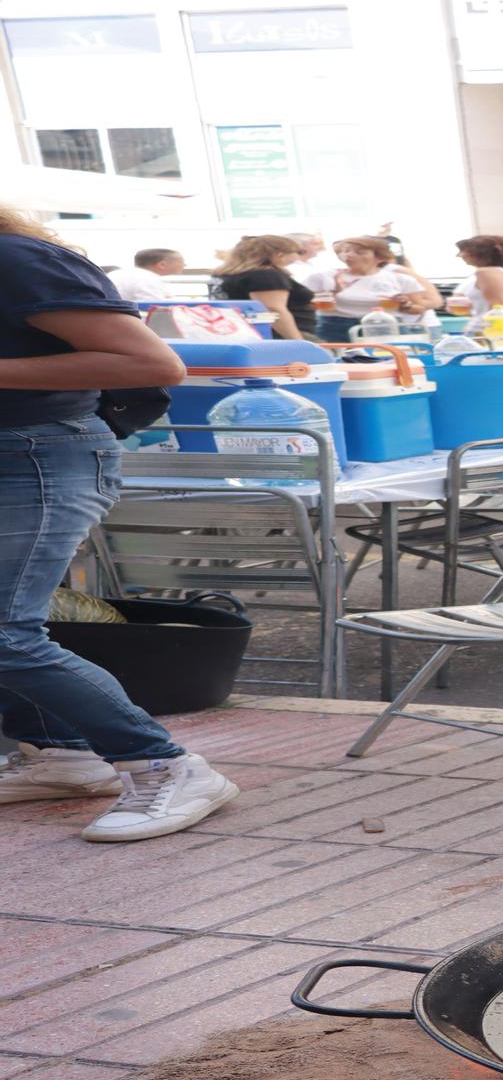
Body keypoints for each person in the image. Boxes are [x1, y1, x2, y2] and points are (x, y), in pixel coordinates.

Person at [0, 206, 240, 841]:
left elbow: (153, 364)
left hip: (34, 456)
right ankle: (59, 753)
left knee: (3, 632)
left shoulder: (15, 258)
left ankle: (165, 765)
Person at [306, 237, 440, 343]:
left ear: (379, 257)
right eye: (346, 251)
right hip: (334, 326)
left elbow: (418, 309)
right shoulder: (324, 277)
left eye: (359, 252)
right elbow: (301, 306)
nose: (350, 255)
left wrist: (405, 304)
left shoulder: (400, 279)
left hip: (384, 327)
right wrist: (334, 292)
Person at [211, 234, 315, 340]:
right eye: (299, 252)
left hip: (238, 332)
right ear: (280, 254)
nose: (298, 257)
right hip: (278, 335)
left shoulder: (224, 274)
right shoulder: (266, 275)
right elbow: (273, 309)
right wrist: (297, 341)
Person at [110, 248, 182, 303]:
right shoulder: (147, 278)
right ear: (162, 264)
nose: (184, 265)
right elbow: (153, 308)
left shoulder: (116, 273)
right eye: (181, 262)